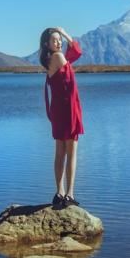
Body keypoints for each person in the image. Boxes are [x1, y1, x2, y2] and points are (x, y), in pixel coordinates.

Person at [39, 26, 84, 209]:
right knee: (71, 152)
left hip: (59, 109)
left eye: (60, 40)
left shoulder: (50, 59)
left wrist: (64, 34)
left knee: (60, 152)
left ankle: (59, 192)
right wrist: (66, 33)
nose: (59, 43)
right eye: (55, 40)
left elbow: (74, 53)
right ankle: (69, 194)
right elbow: (76, 53)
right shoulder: (58, 57)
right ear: (47, 44)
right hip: (67, 109)